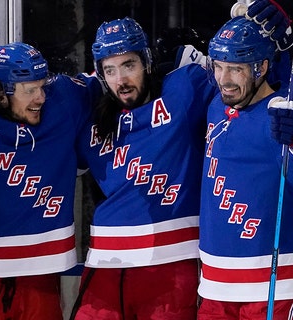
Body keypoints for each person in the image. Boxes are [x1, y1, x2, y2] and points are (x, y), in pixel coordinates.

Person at [71, 16, 218, 319]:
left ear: (147, 62)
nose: (120, 80)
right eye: (109, 70)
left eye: (128, 65)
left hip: (171, 269)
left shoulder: (181, 95)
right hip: (104, 268)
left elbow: (242, 82)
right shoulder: (92, 118)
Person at [0, 42, 101, 319]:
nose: (41, 97)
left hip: (40, 272)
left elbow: (108, 79)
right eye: (29, 90)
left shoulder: (64, 100)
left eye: (42, 86)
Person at [198, 15, 293, 319]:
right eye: (219, 66)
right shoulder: (216, 105)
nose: (223, 79)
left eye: (236, 69)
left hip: (272, 288)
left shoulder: (284, 115)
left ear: (261, 67)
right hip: (213, 286)